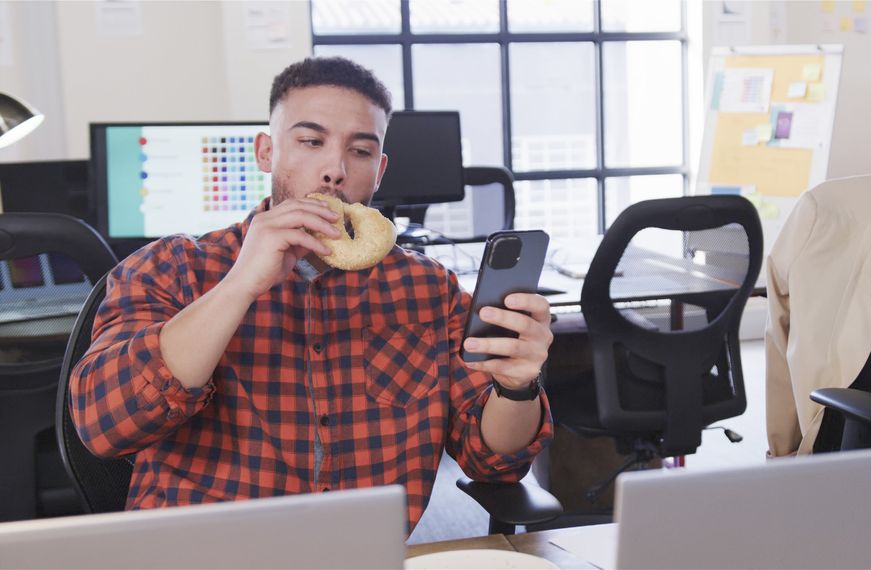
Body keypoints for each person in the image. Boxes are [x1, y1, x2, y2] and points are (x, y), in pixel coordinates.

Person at [70, 57, 554, 530]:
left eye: (360, 151)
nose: (335, 169)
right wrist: (240, 286)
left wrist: (516, 387)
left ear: (379, 170)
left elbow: (496, 463)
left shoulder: (430, 289)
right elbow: (103, 427)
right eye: (310, 141)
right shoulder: (171, 268)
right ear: (266, 152)